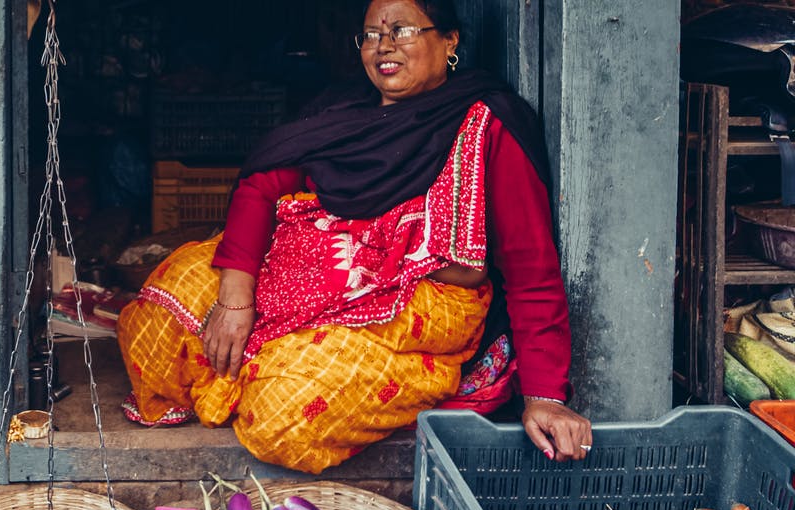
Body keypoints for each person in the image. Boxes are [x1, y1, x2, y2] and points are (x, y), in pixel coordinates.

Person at [117, 0, 593, 474]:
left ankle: (274, 369)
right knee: (165, 307)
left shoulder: (488, 124)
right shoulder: (340, 111)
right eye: (370, 34)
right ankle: (265, 359)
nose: (383, 46)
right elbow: (261, 185)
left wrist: (545, 395)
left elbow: (531, 267)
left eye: (402, 30)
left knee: (282, 413)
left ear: (449, 41)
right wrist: (237, 294)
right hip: (304, 266)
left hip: (411, 307)